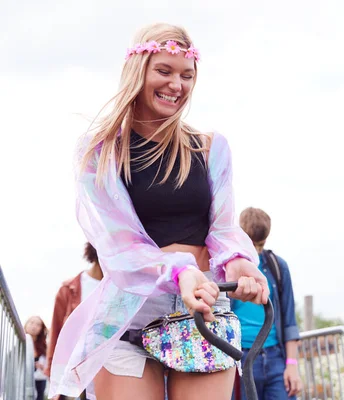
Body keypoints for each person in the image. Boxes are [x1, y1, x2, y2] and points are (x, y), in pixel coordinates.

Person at [48, 23, 269, 400]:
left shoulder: (211, 148)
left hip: (204, 306)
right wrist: (180, 271)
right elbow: (119, 243)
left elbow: (223, 228)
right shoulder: (100, 152)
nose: (176, 85)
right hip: (129, 311)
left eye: (186, 75)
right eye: (164, 71)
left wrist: (238, 261)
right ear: (139, 71)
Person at [231, 207, 303, 400]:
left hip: (275, 358)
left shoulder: (277, 267)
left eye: (260, 245)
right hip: (239, 358)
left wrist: (292, 364)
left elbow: (289, 321)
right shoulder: (229, 269)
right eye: (252, 244)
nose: (256, 251)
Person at [45, 242, 104, 399]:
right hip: (73, 370)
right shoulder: (68, 290)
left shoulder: (120, 289)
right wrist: (53, 376)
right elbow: (56, 334)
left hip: (105, 368)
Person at [24, 316, 49, 400]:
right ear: (26, 324)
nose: (34, 326)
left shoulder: (45, 347)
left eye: (38, 324)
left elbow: (49, 368)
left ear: (41, 328)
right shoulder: (19, 344)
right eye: (31, 323)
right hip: (23, 381)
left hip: (39, 382)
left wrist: (43, 367)